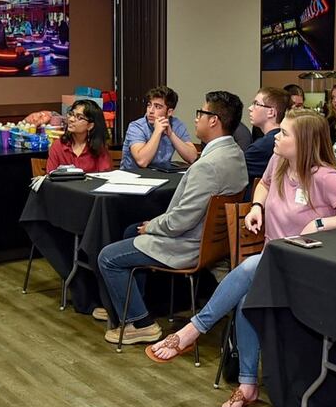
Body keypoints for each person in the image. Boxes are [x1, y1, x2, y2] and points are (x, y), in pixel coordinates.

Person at [146, 109, 336, 407]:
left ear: (303, 142)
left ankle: (194, 329)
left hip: (306, 269)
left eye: (285, 134)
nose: (276, 137)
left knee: (252, 268)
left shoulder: (324, 176)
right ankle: (248, 385)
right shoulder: (279, 162)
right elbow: (263, 185)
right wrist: (257, 207)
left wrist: (321, 221)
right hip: (273, 264)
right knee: (248, 299)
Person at [99, 91, 249, 344]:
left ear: (213, 120)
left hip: (187, 244)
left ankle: (142, 323)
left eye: (201, 113)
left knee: (107, 257)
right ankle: (137, 307)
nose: (197, 118)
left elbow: (180, 221)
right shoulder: (235, 154)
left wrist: (152, 226)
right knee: (130, 230)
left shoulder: (207, 165)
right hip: (215, 243)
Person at [120, 86, 198, 170]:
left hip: (161, 176)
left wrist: (171, 135)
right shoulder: (136, 127)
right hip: (133, 177)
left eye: (157, 107)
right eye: (149, 105)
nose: (151, 111)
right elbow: (142, 161)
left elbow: (192, 157)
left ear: (169, 112)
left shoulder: (176, 125)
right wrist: (157, 132)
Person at [46, 100, 111, 172]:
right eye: (71, 114)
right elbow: (50, 176)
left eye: (79, 117)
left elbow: (105, 176)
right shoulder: (58, 146)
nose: (71, 119)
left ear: (90, 125)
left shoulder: (99, 148)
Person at [245, 87, 289, 181]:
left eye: (256, 104)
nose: (250, 108)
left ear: (271, 112)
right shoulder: (287, 140)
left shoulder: (260, 148)